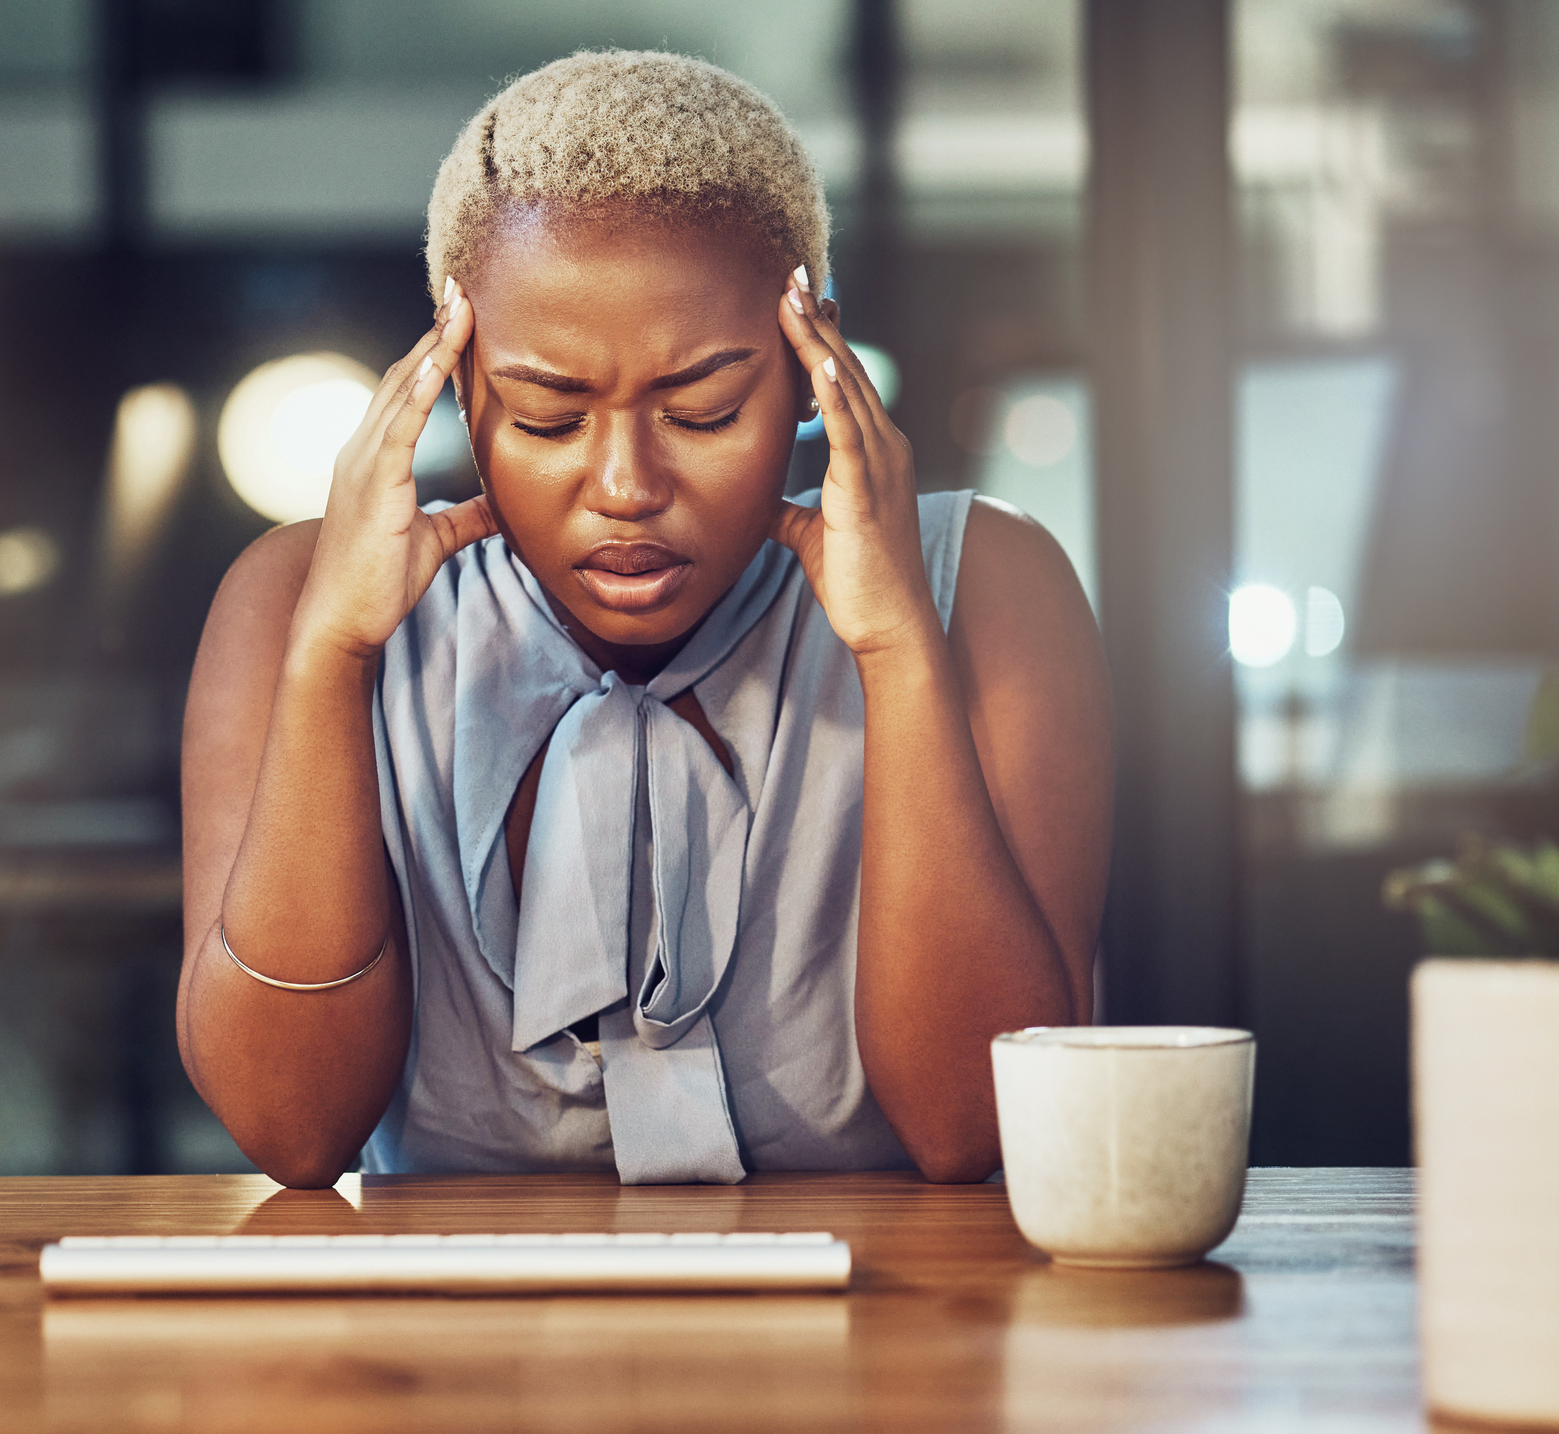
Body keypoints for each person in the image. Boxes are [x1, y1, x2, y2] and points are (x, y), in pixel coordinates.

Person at [177, 50, 1112, 1188]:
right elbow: (291, 1126)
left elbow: (979, 1125)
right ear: (456, 376)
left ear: (812, 361)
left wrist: (895, 652)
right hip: (440, 1354)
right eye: (546, 417)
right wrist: (331, 659)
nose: (624, 484)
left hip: (888, 1335)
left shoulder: (988, 590)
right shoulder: (296, 603)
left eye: (705, 410)